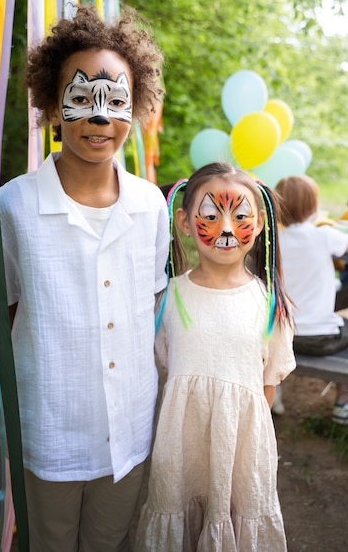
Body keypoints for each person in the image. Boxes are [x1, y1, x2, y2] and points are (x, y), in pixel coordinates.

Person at [0, 3, 170, 552]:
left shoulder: (152, 205)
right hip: (51, 429)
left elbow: (152, 306)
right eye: (81, 98)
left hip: (129, 430)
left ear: (134, 106)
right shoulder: (14, 207)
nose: (100, 119)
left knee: (108, 541)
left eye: (115, 101)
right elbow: (6, 310)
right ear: (52, 103)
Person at [134, 163, 296, 552]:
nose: (226, 229)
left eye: (240, 216)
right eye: (210, 215)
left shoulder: (269, 304)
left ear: (258, 224)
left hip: (242, 452)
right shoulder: (168, 298)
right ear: (185, 222)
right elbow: (164, 369)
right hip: (181, 449)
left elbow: (266, 388)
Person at [275, 174, 348, 424]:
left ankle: (275, 389)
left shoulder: (276, 242)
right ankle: (343, 402)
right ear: (313, 207)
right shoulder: (325, 235)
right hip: (322, 339)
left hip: (282, 339)